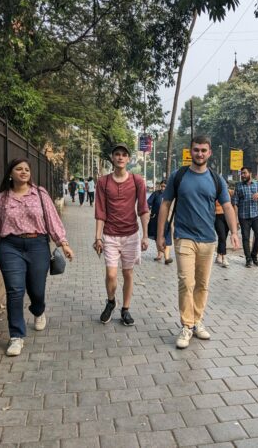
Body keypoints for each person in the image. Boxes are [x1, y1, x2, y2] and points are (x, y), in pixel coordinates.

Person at [156, 135, 240, 349]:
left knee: (202, 284)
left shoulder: (215, 178)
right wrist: (160, 235)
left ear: (209, 153)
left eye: (203, 150)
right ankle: (186, 325)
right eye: (196, 150)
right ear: (190, 151)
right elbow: (165, 205)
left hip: (208, 240)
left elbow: (228, 206)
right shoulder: (179, 176)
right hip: (183, 237)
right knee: (186, 282)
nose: (200, 154)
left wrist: (234, 232)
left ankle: (197, 321)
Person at [0, 158, 74, 356]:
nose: (24, 172)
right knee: (15, 290)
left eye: (27, 169)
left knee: (37, 289)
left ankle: (38, 309)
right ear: (11, 173)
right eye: (19, 169)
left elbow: (52, 219)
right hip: (10, 247)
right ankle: (16, 337)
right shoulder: (2, 199)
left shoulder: (40, 194)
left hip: (37, 245)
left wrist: (64, 243)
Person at [94, 143, 149, 326]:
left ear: (128, 159)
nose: (120, 157)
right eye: (117, 154)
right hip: (110, 235)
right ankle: (111, 302)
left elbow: (143, 208)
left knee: (128, 273)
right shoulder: (103, 182)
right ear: (112, 157)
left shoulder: (137, 181)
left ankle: (125, 309)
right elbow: (100, 211)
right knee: (111, 274)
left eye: (124, 155)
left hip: (131, 235)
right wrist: (98, 237)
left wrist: (145, 235)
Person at [232, 166, 258, 268]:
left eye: (244, 173)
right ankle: (248, 259)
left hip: (256, 215)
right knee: (245, 238)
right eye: (241, 174)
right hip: (243, 217)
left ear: (250, 174)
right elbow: (235, 204)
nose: (243, 175)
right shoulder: (238, 186)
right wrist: (235, 220)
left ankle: (254, 255)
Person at [147, 180, 173, 264]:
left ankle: (167, 257)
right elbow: (148, 203)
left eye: (165, 186)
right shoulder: (156, 194)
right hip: (156, 220)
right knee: (157, 237)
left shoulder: (171, 194)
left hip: (167, 220)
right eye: (162, 186)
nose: (163, 188)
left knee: (167, 238)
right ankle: (159, 254)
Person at [214, 187, 234, 267]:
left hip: (227, 217)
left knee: (223, 238)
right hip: (217, 216)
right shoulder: (214, 192)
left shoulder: (230, 192)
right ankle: (224, 258)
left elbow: (234, 204)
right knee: (222, 236)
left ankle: (218, 255)